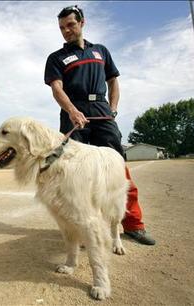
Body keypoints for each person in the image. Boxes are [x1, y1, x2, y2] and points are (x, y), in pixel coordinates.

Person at [44, 5, 155, 245]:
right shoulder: (56, 58)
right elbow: (56, 88)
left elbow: (113, 80)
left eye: (71, 25)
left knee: (118, 170)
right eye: (62, 28)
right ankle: (81, 228)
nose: (66, 31)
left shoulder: (101, 51)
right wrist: (72, 110)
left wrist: (113, 109)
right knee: (74, 176)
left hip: (103, 114)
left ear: (82, 23)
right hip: (74, 116)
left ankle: (134, 224)